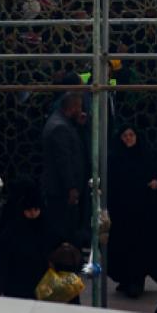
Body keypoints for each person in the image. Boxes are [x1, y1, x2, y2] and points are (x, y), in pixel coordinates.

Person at [107, 125, 157, 297]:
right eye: (125, 135)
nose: (128, 139)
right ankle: (126, 279)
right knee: (122, 245)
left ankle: (136, 280)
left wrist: (155, 182)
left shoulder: (146, 155)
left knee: (140, 245)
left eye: (131, 135)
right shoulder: (115, 158)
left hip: (143, 212)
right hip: (122, 212)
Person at [41, 92, 88, 247]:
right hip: (61, 190)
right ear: (73, 107)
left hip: (61, 189)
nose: (81, 110)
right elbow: (64, 161)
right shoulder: (60, 127)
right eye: (79, 106)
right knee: (65, 230)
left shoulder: (62, 123)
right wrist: (71, 187)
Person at [0, 183, 52, 299]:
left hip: (40, 285)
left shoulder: (46, 228)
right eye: (29, 210)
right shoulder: (12, 231)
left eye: (36, 209)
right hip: (16, 285)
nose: (33, 213)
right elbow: (0, 261)